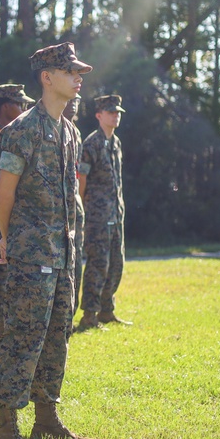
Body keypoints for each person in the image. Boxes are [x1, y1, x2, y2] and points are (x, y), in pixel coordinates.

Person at [0, 42, 93, 439]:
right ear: (46, 78)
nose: (78, 78)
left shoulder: (69, 131)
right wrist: (6, 238)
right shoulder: (22, 130)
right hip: (31, 255)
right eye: (70, 71)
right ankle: (8, 430)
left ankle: (46, 417)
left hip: (63, 254)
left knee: (56, 337)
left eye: (79, 71)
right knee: (22, 339)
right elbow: (4, 193)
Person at [0, 84, 34, 343]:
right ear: (6, 106)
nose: (24, 108)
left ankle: (11, 325)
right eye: (19, 103)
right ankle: (2, 327)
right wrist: (11, 181)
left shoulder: (14, 134)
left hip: (15, 213)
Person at [78, 94, 130, 330]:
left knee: (116, 264)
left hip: (115, 214)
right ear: (99, 115)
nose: (115, 116)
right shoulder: (91, 144)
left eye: (118, 112)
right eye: (111, 112)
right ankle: (90, 315)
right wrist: (81, 210)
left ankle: (107, 310)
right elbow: (81, 179)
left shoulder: (116, 142)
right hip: (97, 217)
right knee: (98, 264)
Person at [63, 96, 86, 319]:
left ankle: (70, 313)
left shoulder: (76, 132)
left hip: (75, 211)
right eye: (69, 99)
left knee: (75, 262)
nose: (73, 103)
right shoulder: (47, 126)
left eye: (76, 100)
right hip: (55, 213)